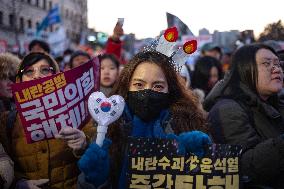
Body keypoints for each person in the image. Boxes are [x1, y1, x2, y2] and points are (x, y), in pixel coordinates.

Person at [77, 50, 212, 188]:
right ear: (127, 85)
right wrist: (94, 181)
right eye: (139, 85)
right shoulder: (108, 128)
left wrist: (194, 162)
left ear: (170, 89)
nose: (147, 92)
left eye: (158, 86)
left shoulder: (187, 124)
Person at [0, 52, 96, 189]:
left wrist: (84, 146)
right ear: (19, 80)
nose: (37, 75)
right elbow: (4, 164)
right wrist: (18, 183)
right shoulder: (7, 121)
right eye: (28, 71)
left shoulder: (79, 112)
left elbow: (98, 166)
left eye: (45, 70)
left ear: (56, 76)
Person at [203, 44, 284, 188]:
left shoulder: (274, 103)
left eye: (277, 64)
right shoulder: (227, 110)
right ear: (244, 70)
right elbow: (243, 165)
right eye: (267, 63)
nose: (276, 68)